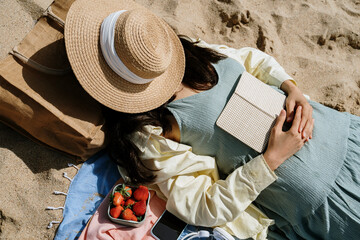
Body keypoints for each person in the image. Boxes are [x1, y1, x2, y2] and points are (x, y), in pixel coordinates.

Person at [64, 0, 360, 239]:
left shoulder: (178, 52)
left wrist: (290, 86)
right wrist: (271, 159)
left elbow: (249, 60)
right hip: (328, 202)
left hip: (346, 135)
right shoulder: (151, 128)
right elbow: (202, 206)